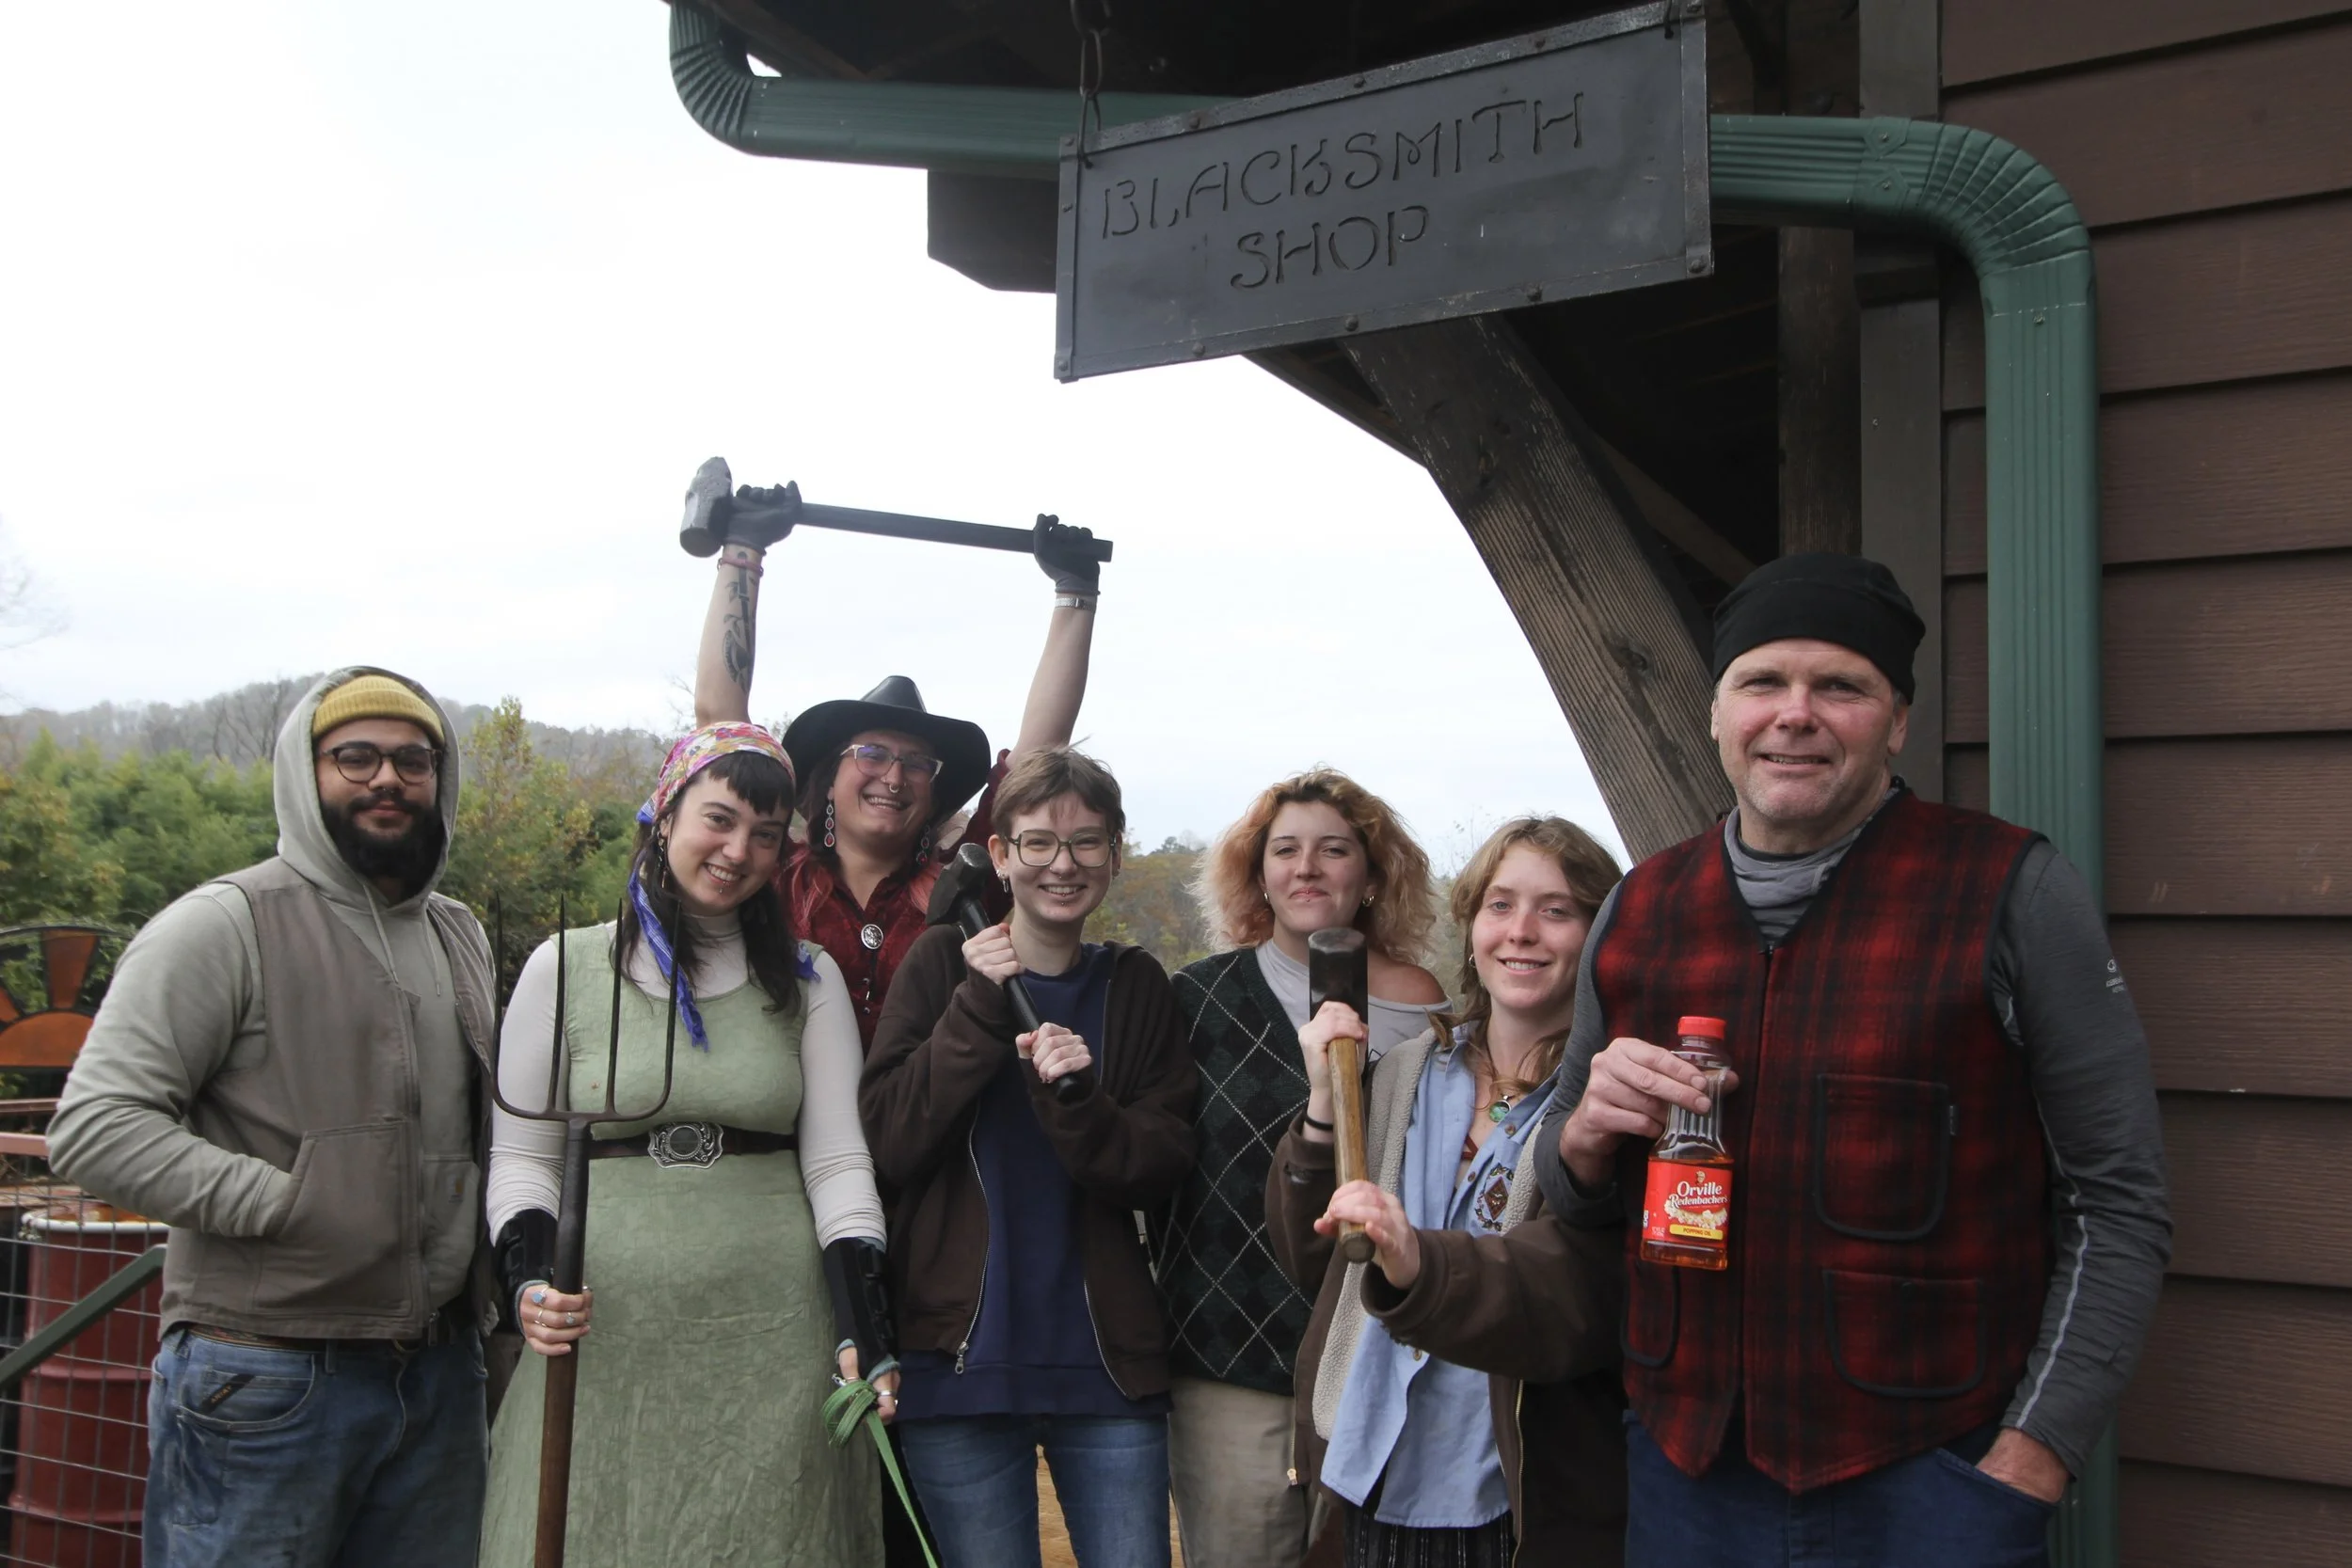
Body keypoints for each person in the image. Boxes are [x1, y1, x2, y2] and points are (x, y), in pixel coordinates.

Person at [1534, 553, 2170, 1566]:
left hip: (1929, 1482)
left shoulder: (2011, 890)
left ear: (1898, 720)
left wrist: (2032, 1455)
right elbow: (1572, 1201)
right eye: (1762, 681)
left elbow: (2117, 1199)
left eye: (1840, 685)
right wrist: (1576, 1143)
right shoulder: (1639, 906)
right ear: (1715, 713)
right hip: (1685, 1475)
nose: (1796, 712)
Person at [49, 669, 496, 1568]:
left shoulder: (460, 932)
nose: (387, 780)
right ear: (305, 769)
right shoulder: (222, 924)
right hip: (267, 1378)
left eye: (413, 760)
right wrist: (284, 1200)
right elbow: (94, 1124)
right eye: (355, 756)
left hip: (443, 1373)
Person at [477, 721, 894, 1564]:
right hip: (599, 1344)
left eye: (767, 836)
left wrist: (862, 1320)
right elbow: (521, 1156)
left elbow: (839, 1161)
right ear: (665, 815)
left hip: (774, 1339)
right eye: (720, 819)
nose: (739, 850)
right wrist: (527, 1282)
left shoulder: (807, 982)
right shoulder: (565, 969)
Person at [860, 745, 1199, 1567]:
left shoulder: (1136, 985)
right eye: (1039, 842)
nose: (1064, 863)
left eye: (1087, 842)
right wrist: (978, 1008)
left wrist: (1079, 1098)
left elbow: (1161, 1165)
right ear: (1002, 856)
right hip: (959, 1372)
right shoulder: (943, 963)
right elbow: (890, 1141)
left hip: (1109, 1375)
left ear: (1115, 855)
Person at [1266, 816, 1632, 1566]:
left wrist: (1420, 1259)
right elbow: (1316, 1262)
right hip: (1372, 1471)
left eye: (1557, 909)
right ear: (1470, 927)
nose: (1521, 931)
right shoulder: (1401, 1073)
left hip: (1511, 1492)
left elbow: (1584, 1303)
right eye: (1499, 905)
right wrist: (1325, 1109)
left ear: (1599, 934)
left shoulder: (1608, 1105)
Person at [689, 464, 1104, 1049]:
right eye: (873, 753)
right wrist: (743, 549)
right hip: (785, 1130)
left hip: (925, 1132)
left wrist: (1075, 593)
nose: (894, 775)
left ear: (933, 792)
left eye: (917, 764)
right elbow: (721, 726)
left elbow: (1041, 753)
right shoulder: (768, 870)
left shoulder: (967, 886)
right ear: (829, 778)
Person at [1150, 769, 1447, 1568]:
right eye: (1285, 850)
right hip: (1231, 1363)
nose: (1307, 866)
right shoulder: (1198, 1001)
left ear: (1373, 873)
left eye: (1334, 849)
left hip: (1382, 1358)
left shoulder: (1428, 1012)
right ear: (1259, 874)